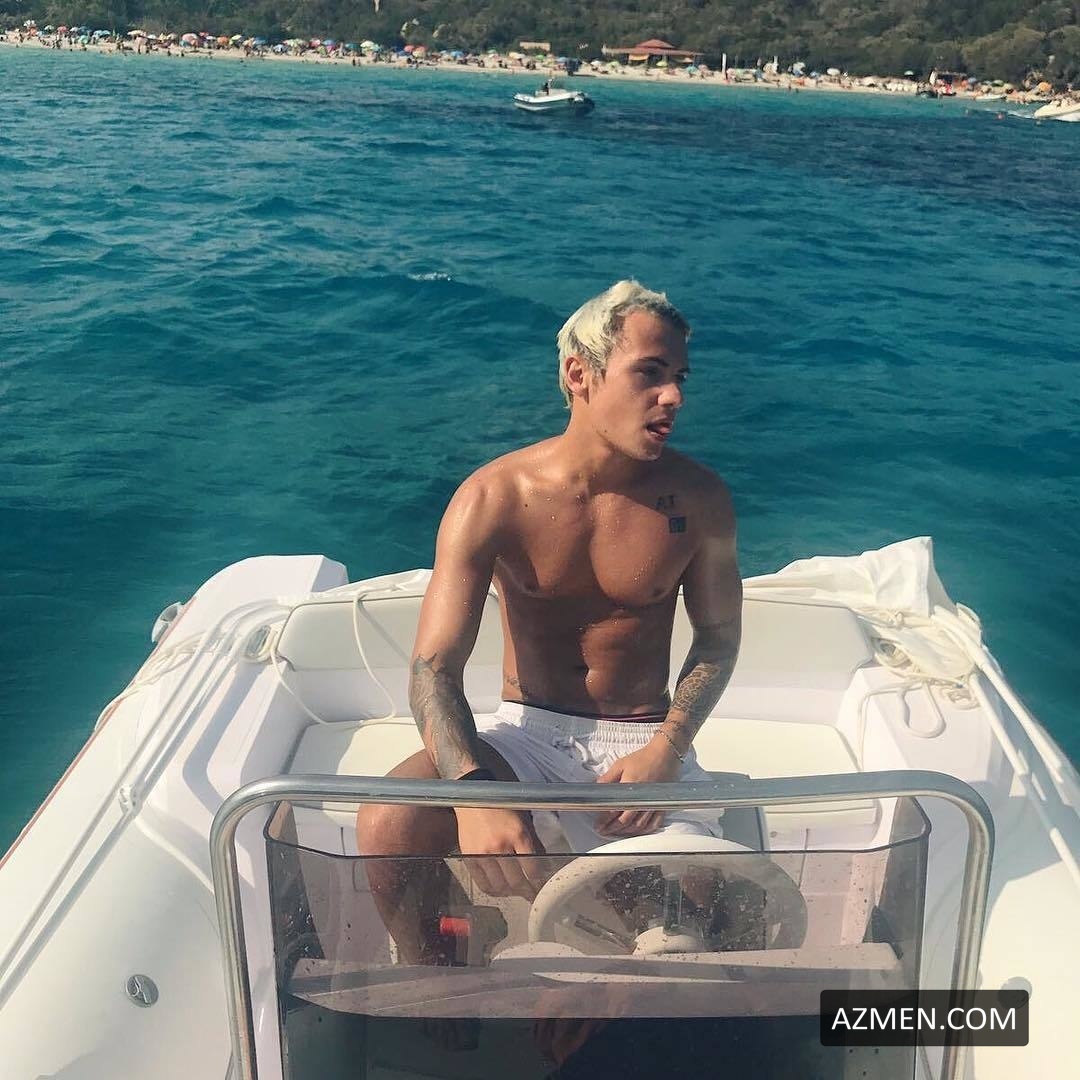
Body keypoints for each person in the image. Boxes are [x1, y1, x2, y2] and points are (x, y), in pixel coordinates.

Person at [357, 280, 742, 963]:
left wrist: (667, 749)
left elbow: (717, 638)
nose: (673, 397)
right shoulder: (494, 496)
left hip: (645, 739)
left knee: (687, 926)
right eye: (650, 374)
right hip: (526, 735)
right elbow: (433, 669)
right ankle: (437, 965)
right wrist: (476, 798)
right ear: (580, 374)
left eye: (680, 378)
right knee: (390, 823)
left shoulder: (700, 498)